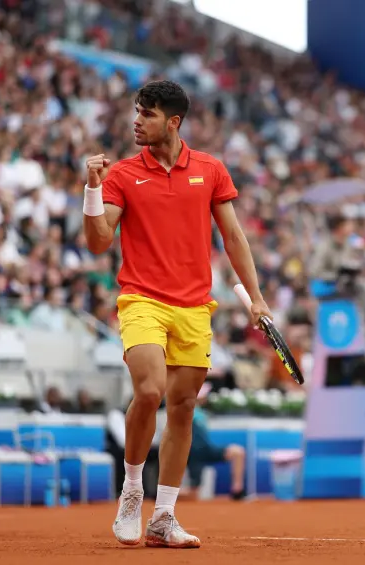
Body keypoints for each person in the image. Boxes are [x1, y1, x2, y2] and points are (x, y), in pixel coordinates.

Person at [82, 80, 271, 549]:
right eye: (136, 112)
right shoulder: (123, 175)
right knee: (149, 391)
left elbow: (234, 238)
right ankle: (131, 492)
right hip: (142, 299)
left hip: (194, 306)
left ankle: (163, 516)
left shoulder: (210, 170)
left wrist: (257, 296)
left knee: (183, 406)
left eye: (146, 114)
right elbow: (99, 240)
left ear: (173, 121)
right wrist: (92, 188)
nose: (136, 121)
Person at [184, 382, 246, 500]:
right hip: (192, 454)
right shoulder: (186, 411)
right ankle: (160, 496)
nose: (206, 396)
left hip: (207, 450)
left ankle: (237, 491)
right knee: (193, 494)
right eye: (204, 394)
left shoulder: (202, 412)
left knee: (238, 452)